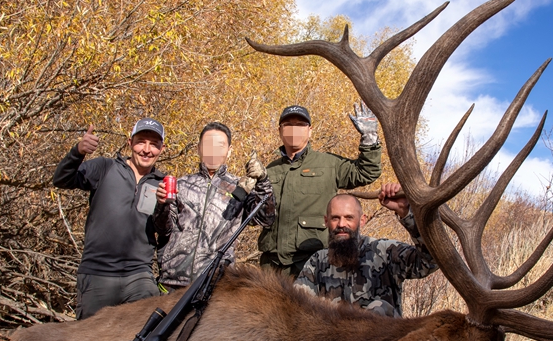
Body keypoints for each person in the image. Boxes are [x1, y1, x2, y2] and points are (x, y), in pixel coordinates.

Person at [53, 118, 167, 319]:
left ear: (162, 149)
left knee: (146, 336)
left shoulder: (163, 184)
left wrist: (165, 206)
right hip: (98, 273)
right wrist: (77, 152)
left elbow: (166, 229)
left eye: (154, 144)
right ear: (129, 142)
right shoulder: (105, 168)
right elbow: (62, 180)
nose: (147, 150)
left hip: (138, 275)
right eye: (141, 142)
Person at [258, 103, 382, 277]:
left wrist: (369, 137)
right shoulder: (269, 171)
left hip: (313, 265)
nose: (294, 130)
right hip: (272, 267)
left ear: (310, 130)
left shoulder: (329, 164)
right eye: (288, 125)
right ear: (280, 131)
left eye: (300, 125)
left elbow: (367, 171)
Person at [153, 122, 275, 292]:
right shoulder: (181, 184)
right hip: (172, 284)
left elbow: (265, 218)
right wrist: (161, 205)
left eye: (219, 146)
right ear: (199, 148)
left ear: (229, 150)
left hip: (216, 286)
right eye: (208, 145)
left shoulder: (239, 188)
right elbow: (163, 229)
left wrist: (263, 182)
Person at [294, 183, 438, 317]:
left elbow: (430, 261)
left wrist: (406, 213)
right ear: (326, 221)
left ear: (362, 220)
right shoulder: (317, 262)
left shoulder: (385, 252)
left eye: (349, 218)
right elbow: (296, 306)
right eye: (335, 218)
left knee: (379, 307)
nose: (342, 224)